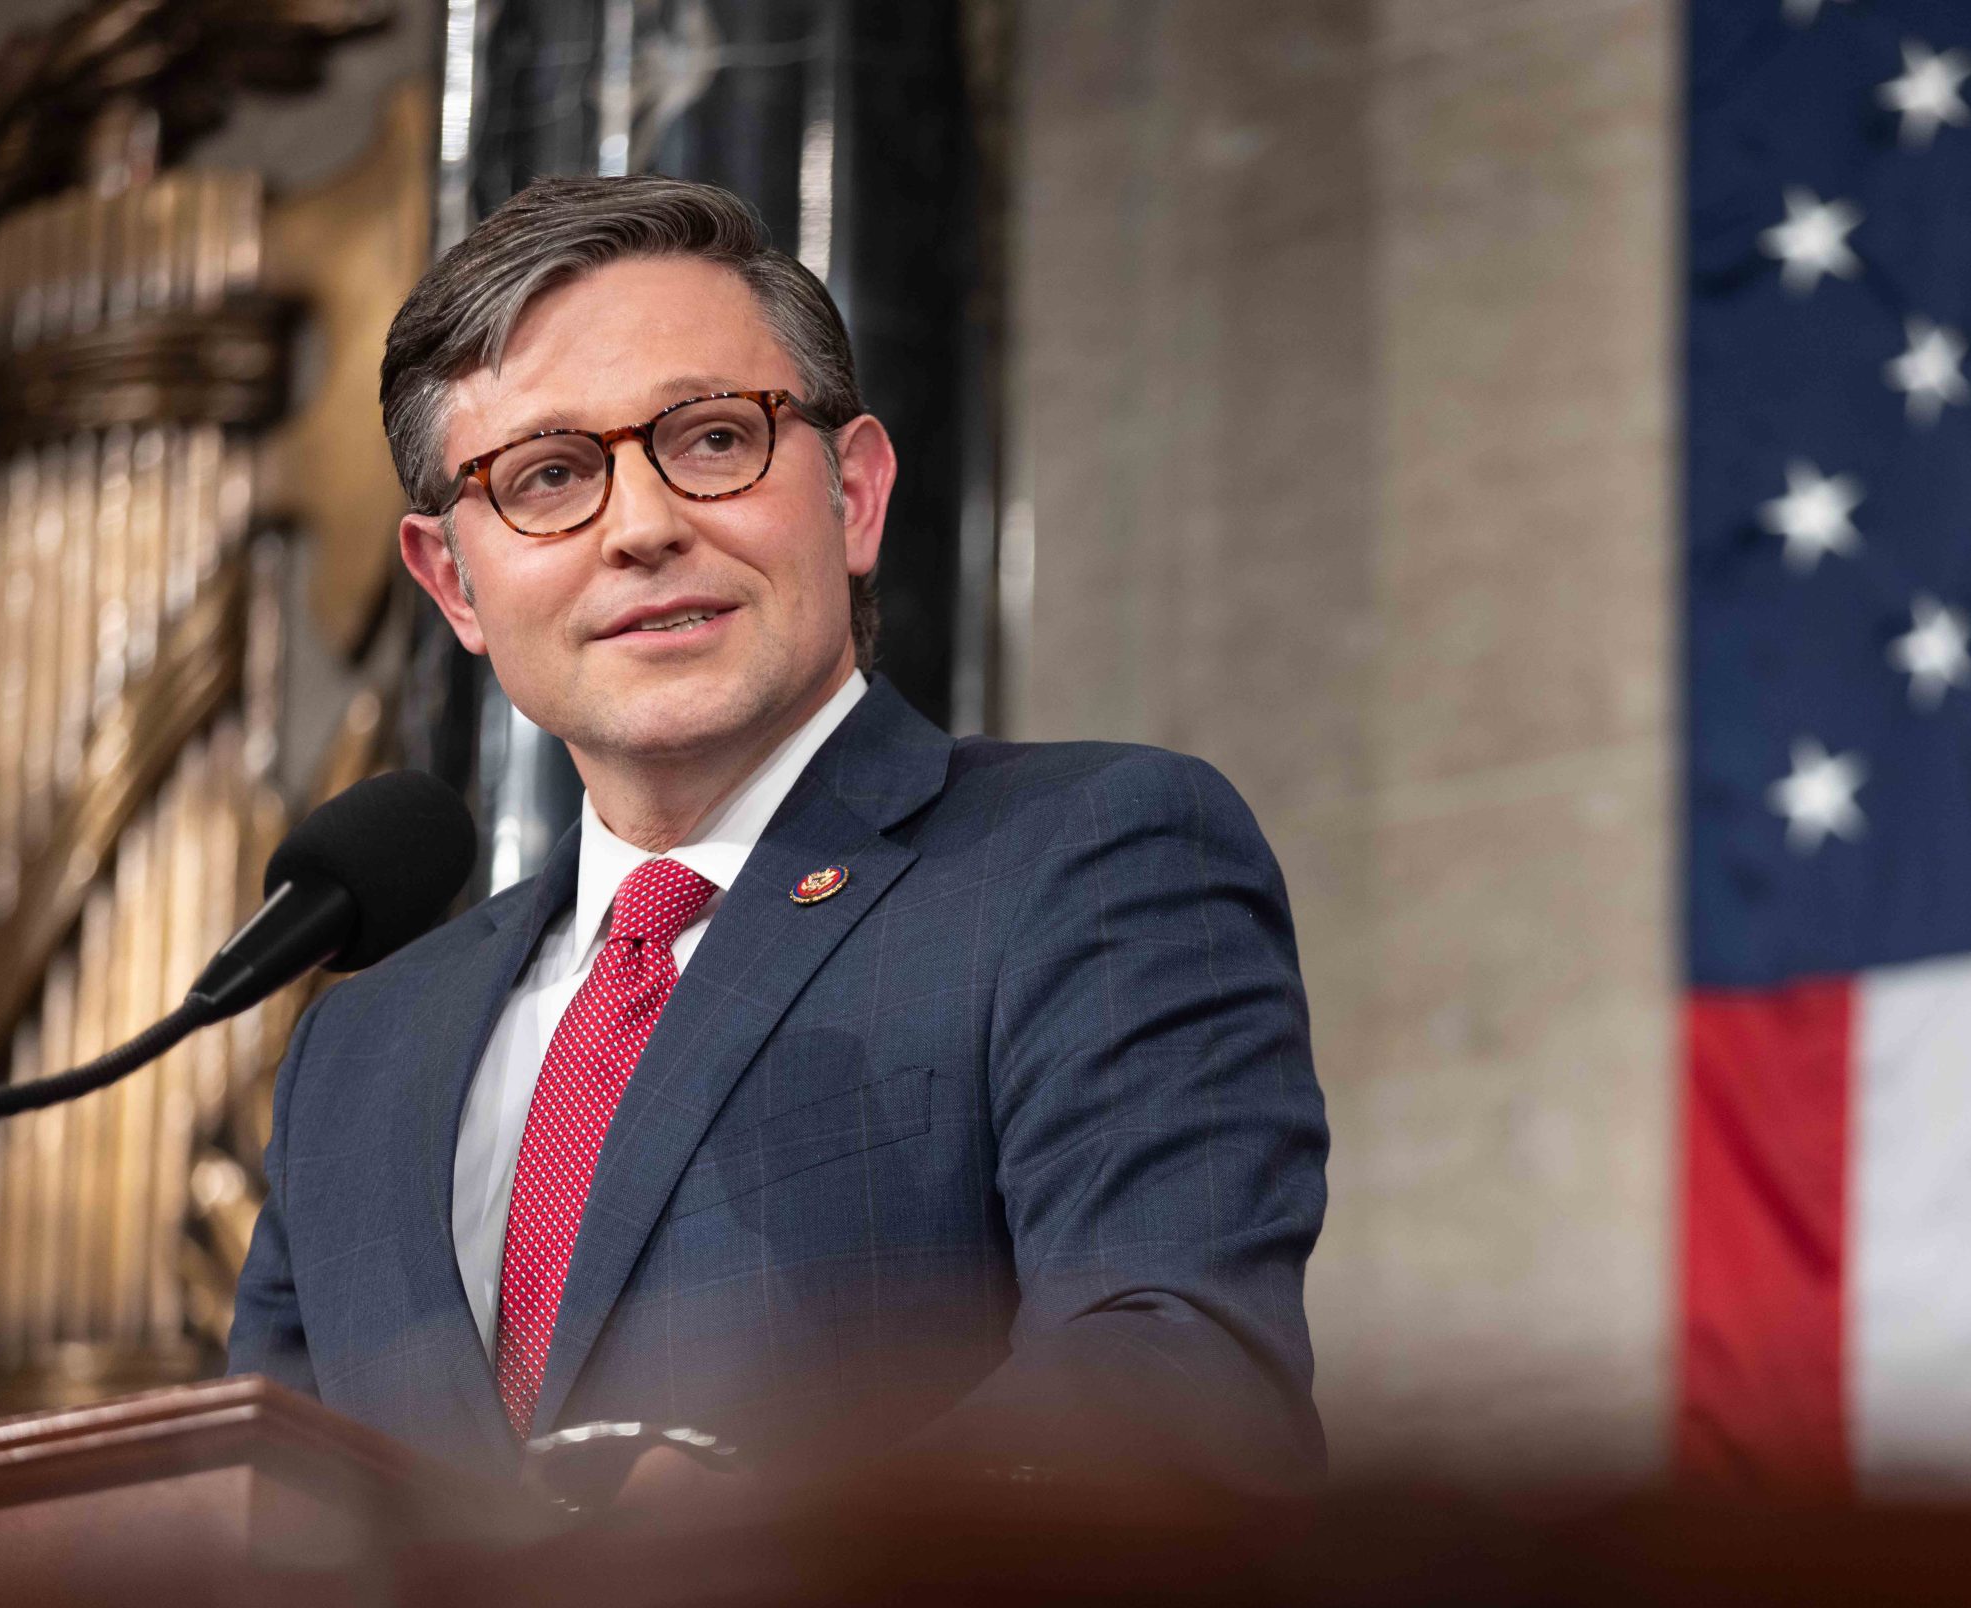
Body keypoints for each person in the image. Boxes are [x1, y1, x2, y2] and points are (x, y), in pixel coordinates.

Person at [224, 175, 1328, 1495]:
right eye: (551, 475)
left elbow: (1187, 1391)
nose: (642, 528)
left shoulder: (1087, 859)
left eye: (710, 441)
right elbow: (250, 1535)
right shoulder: (357, 1051)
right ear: (454, 582)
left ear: (855, 495)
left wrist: (775, 1551)